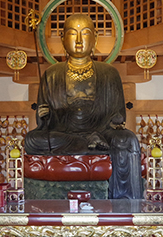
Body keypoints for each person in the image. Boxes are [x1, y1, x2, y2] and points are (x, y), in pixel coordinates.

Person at [24, 13, 142, 199]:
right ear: (63, 40)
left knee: (127, 140)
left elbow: (118, 116)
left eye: (85, 33)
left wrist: (115, 121)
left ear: (95, 39)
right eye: (72, 34)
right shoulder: (51, 74)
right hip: (64, 134)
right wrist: (45, 114)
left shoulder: (109, 73)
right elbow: (44, 123)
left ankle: (124, 200)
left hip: (102, 133)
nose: (79, 40)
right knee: (32, 139)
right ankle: (88, 142)